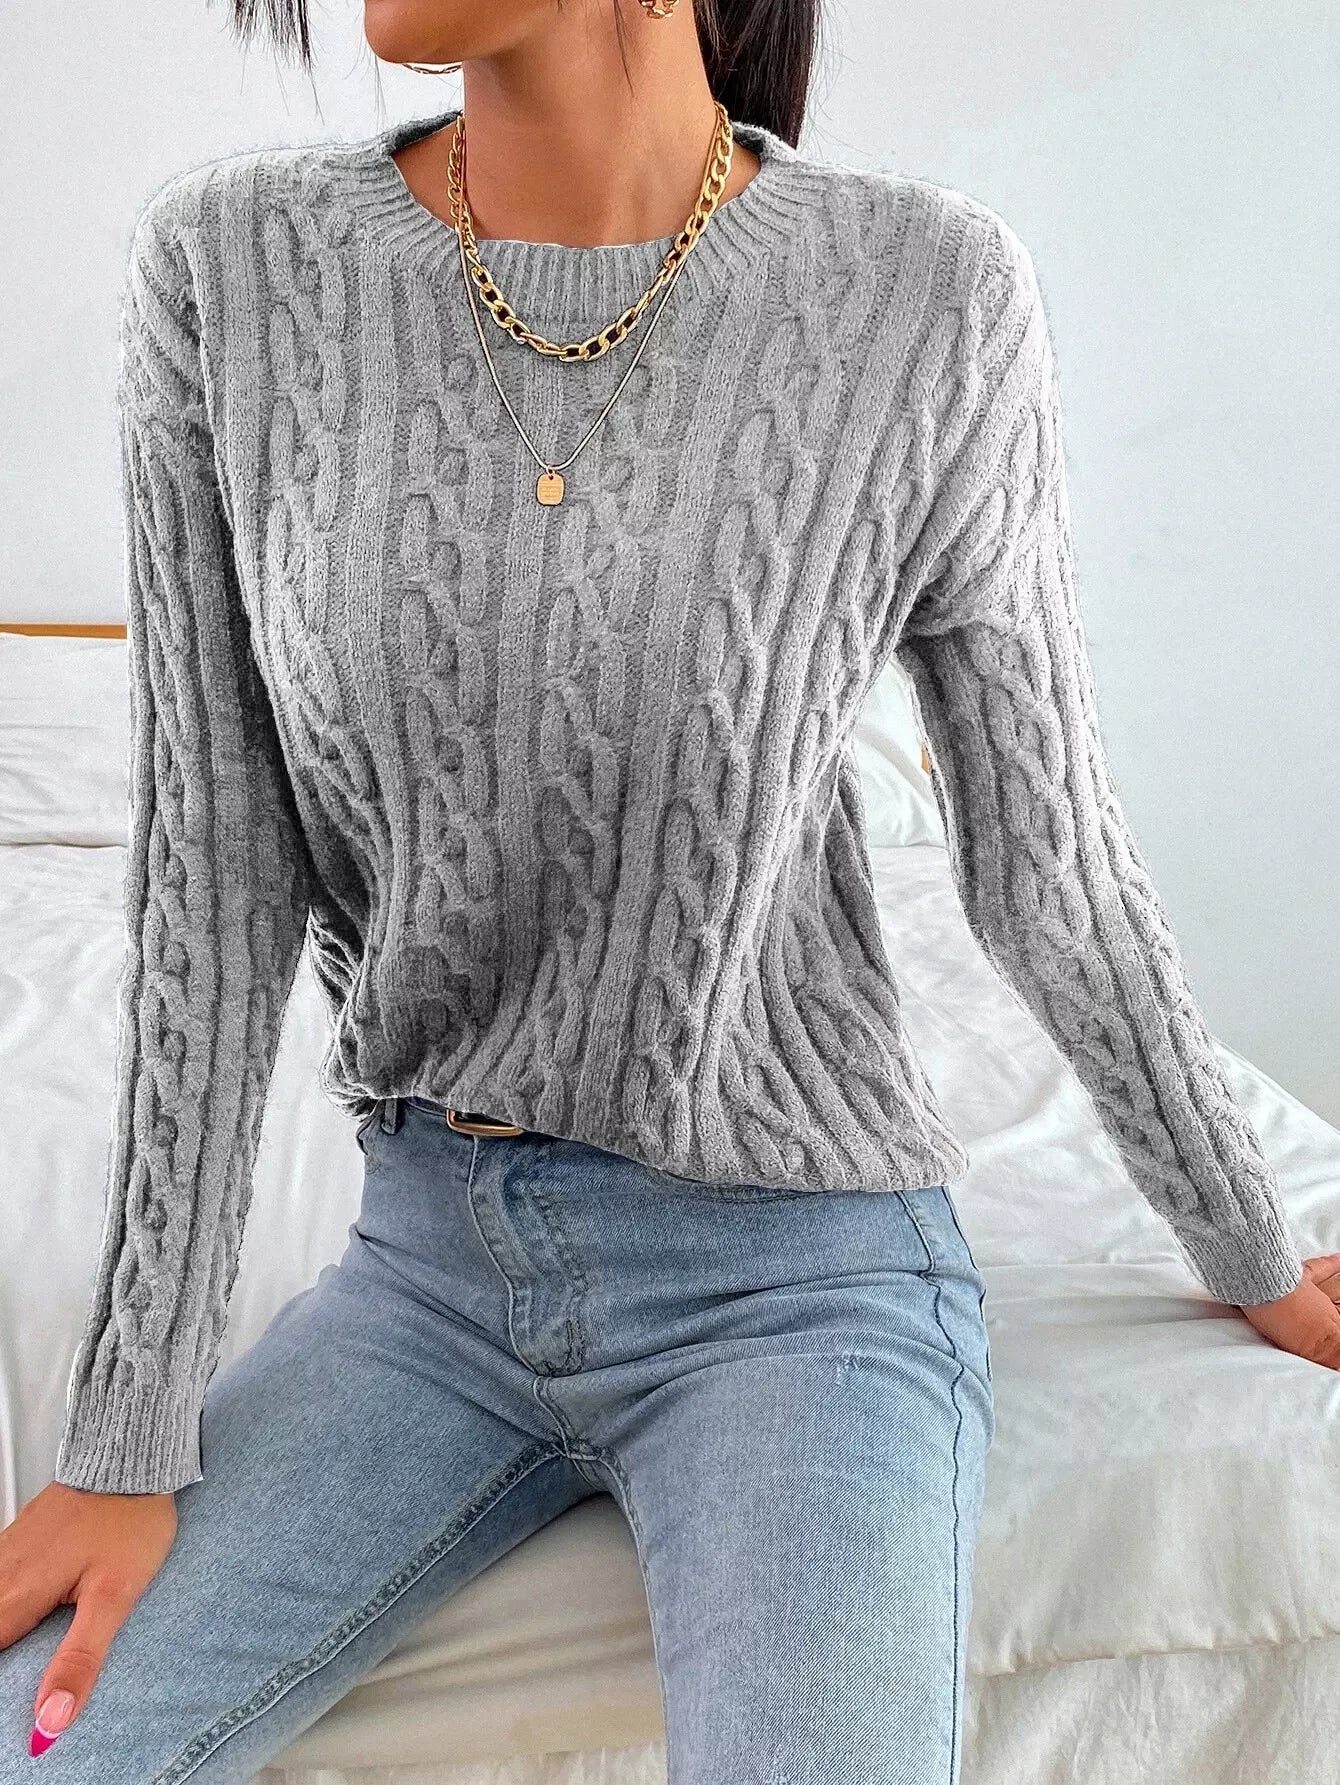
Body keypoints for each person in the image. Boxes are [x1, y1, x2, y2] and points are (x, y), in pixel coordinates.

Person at [3, 1, 1336, 1779]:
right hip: (426, 1272)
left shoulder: (927, 295)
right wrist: (124, 1432)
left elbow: (1049, 855)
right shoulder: (228, 269)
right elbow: (211, 873)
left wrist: (1248, 1242)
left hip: (803, 1278)